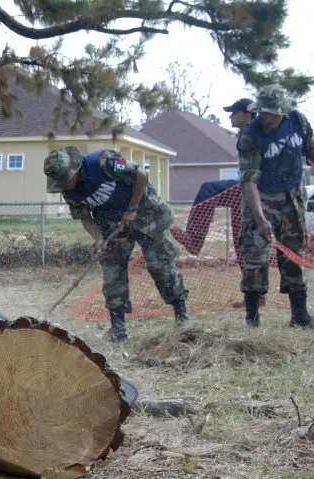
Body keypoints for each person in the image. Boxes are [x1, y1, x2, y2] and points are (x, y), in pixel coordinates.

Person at [43, 147, 190, 342]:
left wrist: (132, 207)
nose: (63, 185)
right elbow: (85, 218)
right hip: (111, 223)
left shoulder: (103, 162)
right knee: (112, 271)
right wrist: (98, 238)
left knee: (159, 265)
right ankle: (118, 330)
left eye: (65, 179)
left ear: (74, 170)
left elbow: (140, 174)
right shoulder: (69, 192)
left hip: (145, 213)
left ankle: (182, 317)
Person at [170, 98, 265, 307]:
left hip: (253, 187)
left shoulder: (255, 132)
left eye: (234, 112)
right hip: (245, 188)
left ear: (247, 114)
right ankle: (256, 296)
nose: (230, 116)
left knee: (208, 188)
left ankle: (194, 239)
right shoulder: (246, 133)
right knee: (241, 242)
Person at [237, 84, 314, 328]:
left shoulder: (298, 121)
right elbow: (249, 180)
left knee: (293, 253)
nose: (266, 117)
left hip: (292, 195)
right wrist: (260, 219)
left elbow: (310, 152)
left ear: (283, 112)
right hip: (261, 197)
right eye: (262, 112)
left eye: (271, 113)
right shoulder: (251, 134)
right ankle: (252, 319)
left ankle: (299, 316)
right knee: (255, 256)